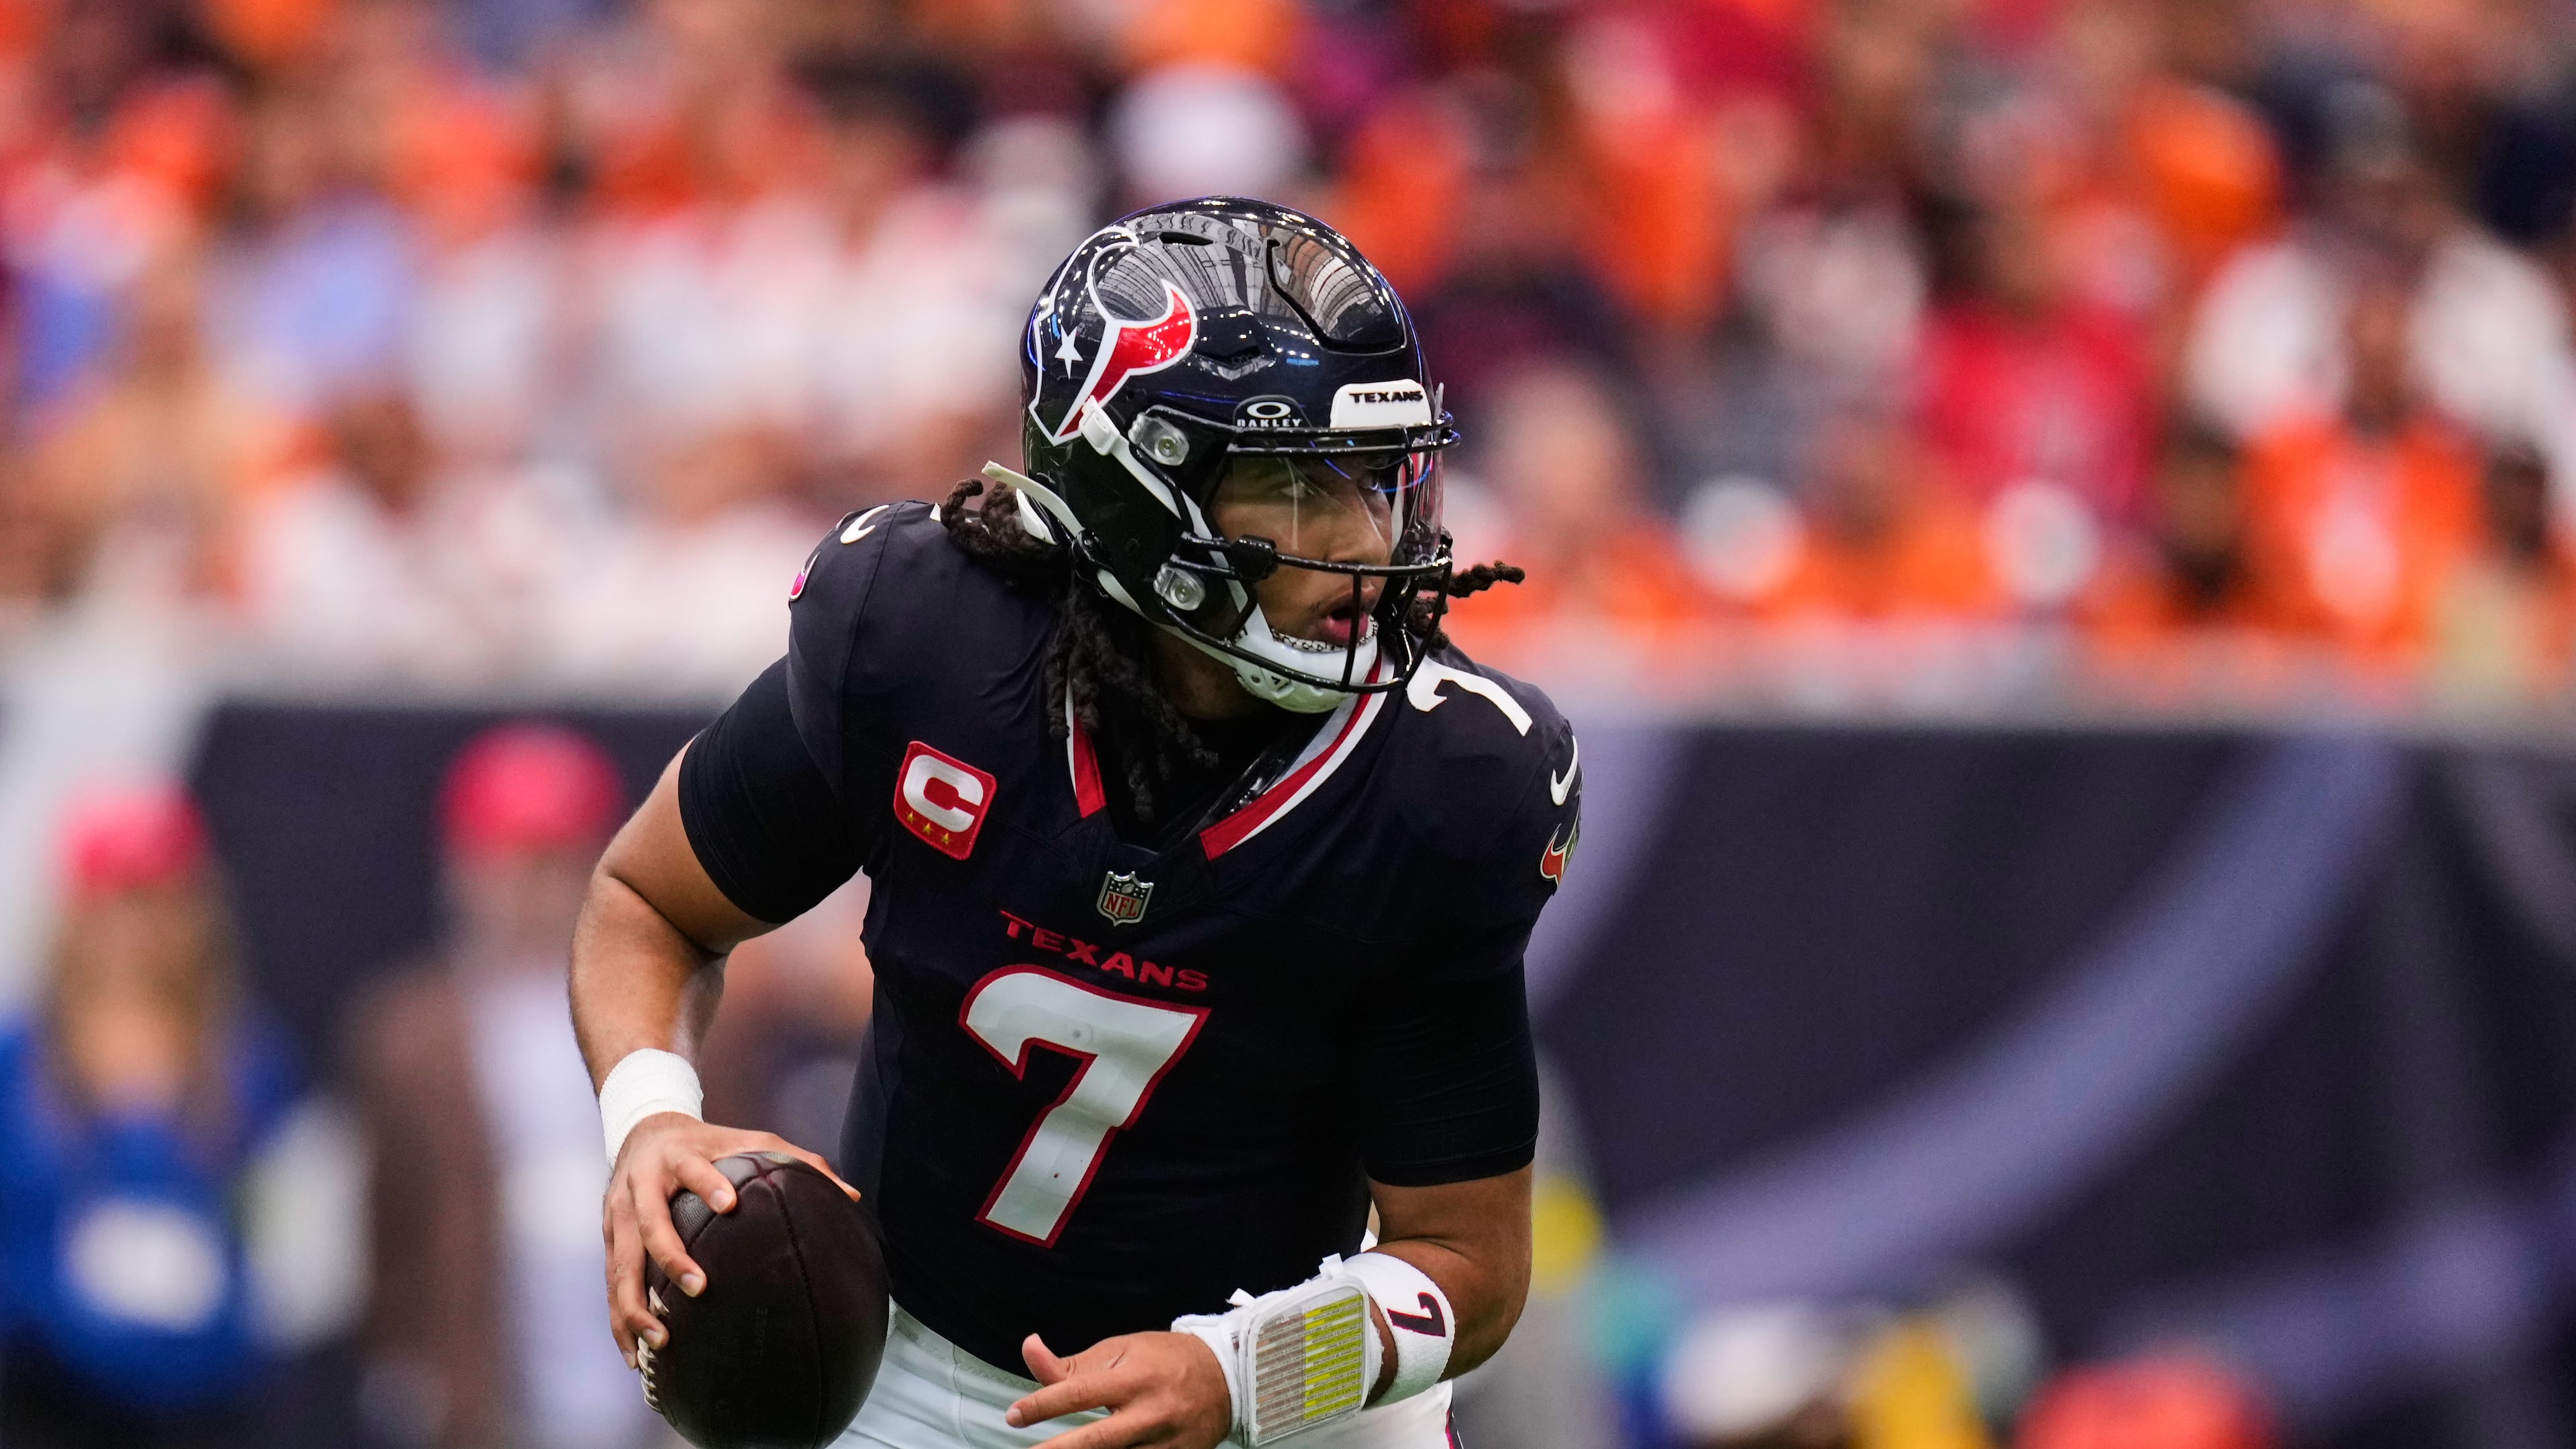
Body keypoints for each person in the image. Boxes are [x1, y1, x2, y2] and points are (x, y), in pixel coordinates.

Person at [571, 198, 1576, 1449]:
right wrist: (651, 1115)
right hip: (915, 1371)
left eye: (1379, 479)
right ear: (1137, 492)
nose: (1369, 538)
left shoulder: (1443, 778)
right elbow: (648, 903)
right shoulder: (923, 641)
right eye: (1297, 488)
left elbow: (1470, 1265)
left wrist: (1246, 1374)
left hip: (1281, 1397)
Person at [347, 722, 665, 1449]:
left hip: (647, 1399)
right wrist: (416, 1374)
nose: (530, 889)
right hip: (485, 1399)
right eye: (509, 861)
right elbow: (388, 1229)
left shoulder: (672, 1011)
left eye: (555, 861)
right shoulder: (410, 1037)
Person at [0, 782, 307, 1448]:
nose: (135, 930)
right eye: (114, 901)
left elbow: (282, 1250)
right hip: (45, 1399)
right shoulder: (18, 1061)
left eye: (155, 901)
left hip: (207, 1405)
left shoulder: (248, 1064)